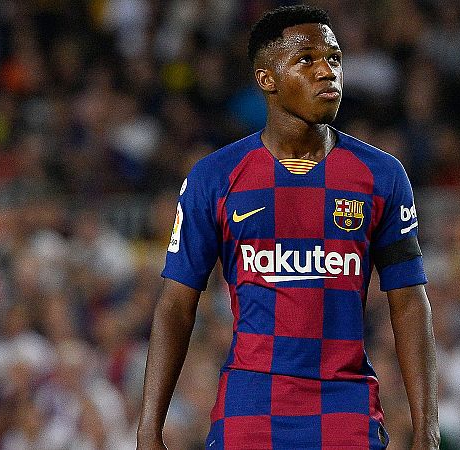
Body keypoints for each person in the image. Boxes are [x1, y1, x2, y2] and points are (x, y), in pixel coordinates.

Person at [136, 5, 439, 449]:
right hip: (250, 410)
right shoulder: (215, 178)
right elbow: (176, 305)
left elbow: (409, 302)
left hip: (345, 412)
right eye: (306, 59)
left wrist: (427, 431)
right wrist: (149, 429)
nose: (327, 71)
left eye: (333, 58)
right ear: (267, 79)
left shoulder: (381, 175)